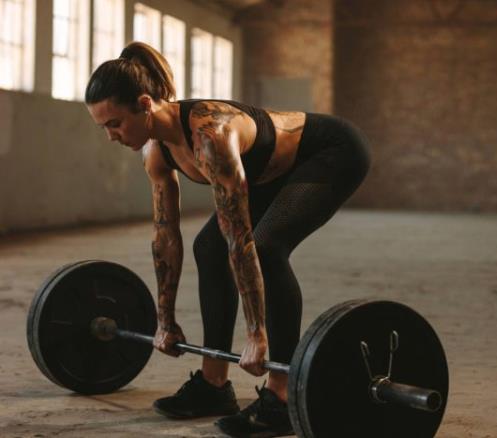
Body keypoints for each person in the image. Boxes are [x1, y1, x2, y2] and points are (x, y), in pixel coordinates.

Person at [85, 41, 370, 438]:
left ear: (145, 104)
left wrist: (257, 336)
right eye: (103, 127)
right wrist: (164, 320)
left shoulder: (210, 135)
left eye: (114, 123)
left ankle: (281, 397)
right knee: (207, 247)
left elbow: (240, 240)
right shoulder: (155, 152)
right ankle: (214, 385)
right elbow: (166, 236)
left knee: (268, 247)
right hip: (273, 172)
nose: (111, 135)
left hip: (330, 153)